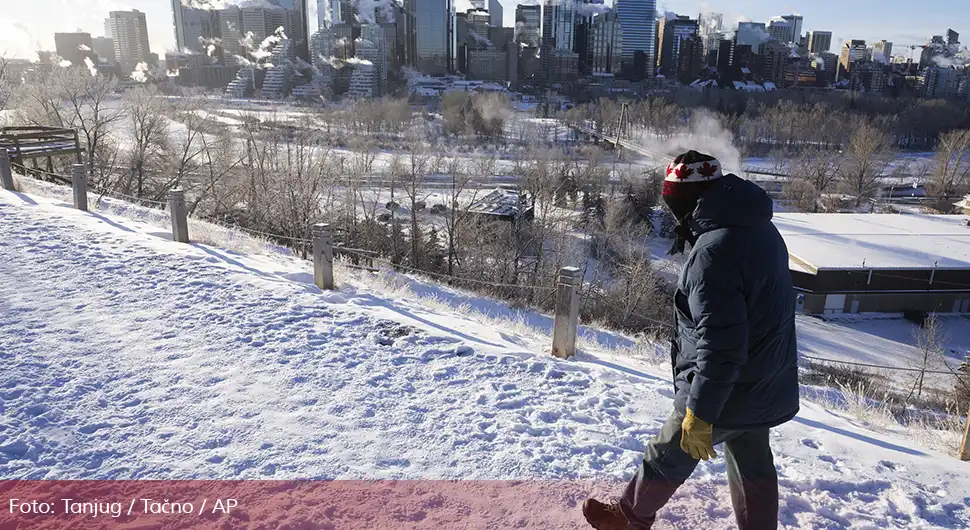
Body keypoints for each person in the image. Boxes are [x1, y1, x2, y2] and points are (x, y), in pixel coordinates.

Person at [582, 150, 800, 530]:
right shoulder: (759, 227)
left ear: (685, 199)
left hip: (728, 386)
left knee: (668, 451)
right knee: (752, 464)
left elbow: (720, 344)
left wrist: (698, 412)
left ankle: (629, 519)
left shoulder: (715, 252)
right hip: (764, 378)